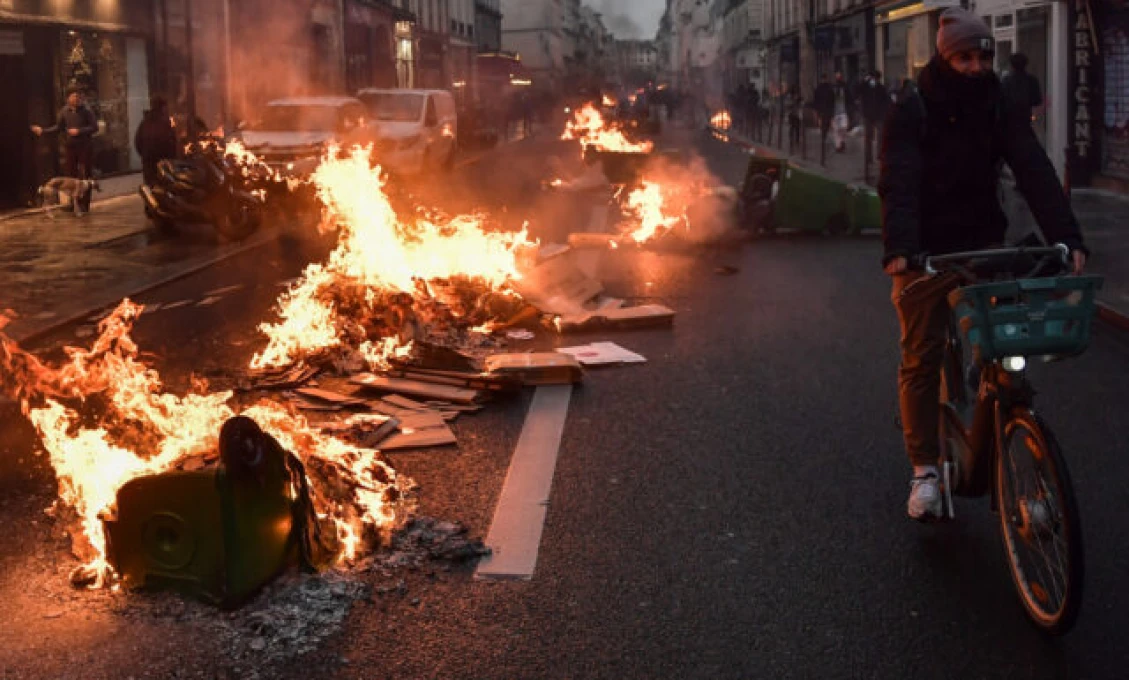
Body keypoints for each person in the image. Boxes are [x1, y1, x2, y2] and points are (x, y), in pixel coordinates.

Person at [879, 8, 1088, 521]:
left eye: (982, 57)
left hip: (982, 240)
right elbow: (900, 180)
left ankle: (1002, 401)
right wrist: (902, 247)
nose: (975, 66)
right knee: (921, 355)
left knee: (1005, 341)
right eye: (964, 57)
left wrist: (1066, 235)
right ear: (945, 57)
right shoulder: (914, 106)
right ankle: (925, 471)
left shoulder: (999, 101)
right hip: (926, 249)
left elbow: (1033, 167)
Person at [30, 88, 99, 179]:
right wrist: (43, 130)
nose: (76, 98)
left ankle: (86, 193)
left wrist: (79, 131)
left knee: (86, 174)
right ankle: (74, 193)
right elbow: (59, 127)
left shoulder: (86, 110)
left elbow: (94, 127)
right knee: (71, 174)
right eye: (73, 96)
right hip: (70, 146)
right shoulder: (64, 111)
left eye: (77, 96)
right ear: (68, 98)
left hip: (85, 146)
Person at [134, 96, 178, 186]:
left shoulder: (145, 122)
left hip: (148, 165)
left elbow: (137, 142)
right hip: (163, 165)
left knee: (153, 190)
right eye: (166, 107)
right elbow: (171, 141)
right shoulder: (164, 122)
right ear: (163, 107)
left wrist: (145, 156)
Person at [1000, 52, 1043, 126]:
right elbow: (1037, 100)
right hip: (1025, 118)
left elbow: (1001, 100)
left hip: (1009, 118)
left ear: (1011, 65)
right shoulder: (1032, 80)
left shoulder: (1006, 81)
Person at [861, 71, 890, 164]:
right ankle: (868, 157)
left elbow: (886, 102)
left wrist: (884, 114)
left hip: (879, 116)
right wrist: (864, 81)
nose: (874, 80)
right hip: (868, 115)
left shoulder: (881, 88)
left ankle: (879, 154)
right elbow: (856, 90)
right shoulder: (866, 87)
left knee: (880, 135)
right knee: (868, 136)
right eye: (873, 78)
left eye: (876, 79)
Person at [813, 74, 835, 159]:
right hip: (825, 109)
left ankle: (823, 135)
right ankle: (823, 135)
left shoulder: (824, 88)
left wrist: (816, 110)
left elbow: (816, 100)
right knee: (825, 124)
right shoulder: (827, 88)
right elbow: (816, 99)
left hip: (824, 109)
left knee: (825, 124)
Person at [830, 72, 853, 152]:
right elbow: (830, 101)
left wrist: (850, 111)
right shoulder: (833, 88)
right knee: (836, 129)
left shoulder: (845, 88)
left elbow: (850, 99)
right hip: (835, 112)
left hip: (843, 111)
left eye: (839, 77)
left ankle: (842, 141)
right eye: (837, 78)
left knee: (843, 127)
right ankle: (838, 145)